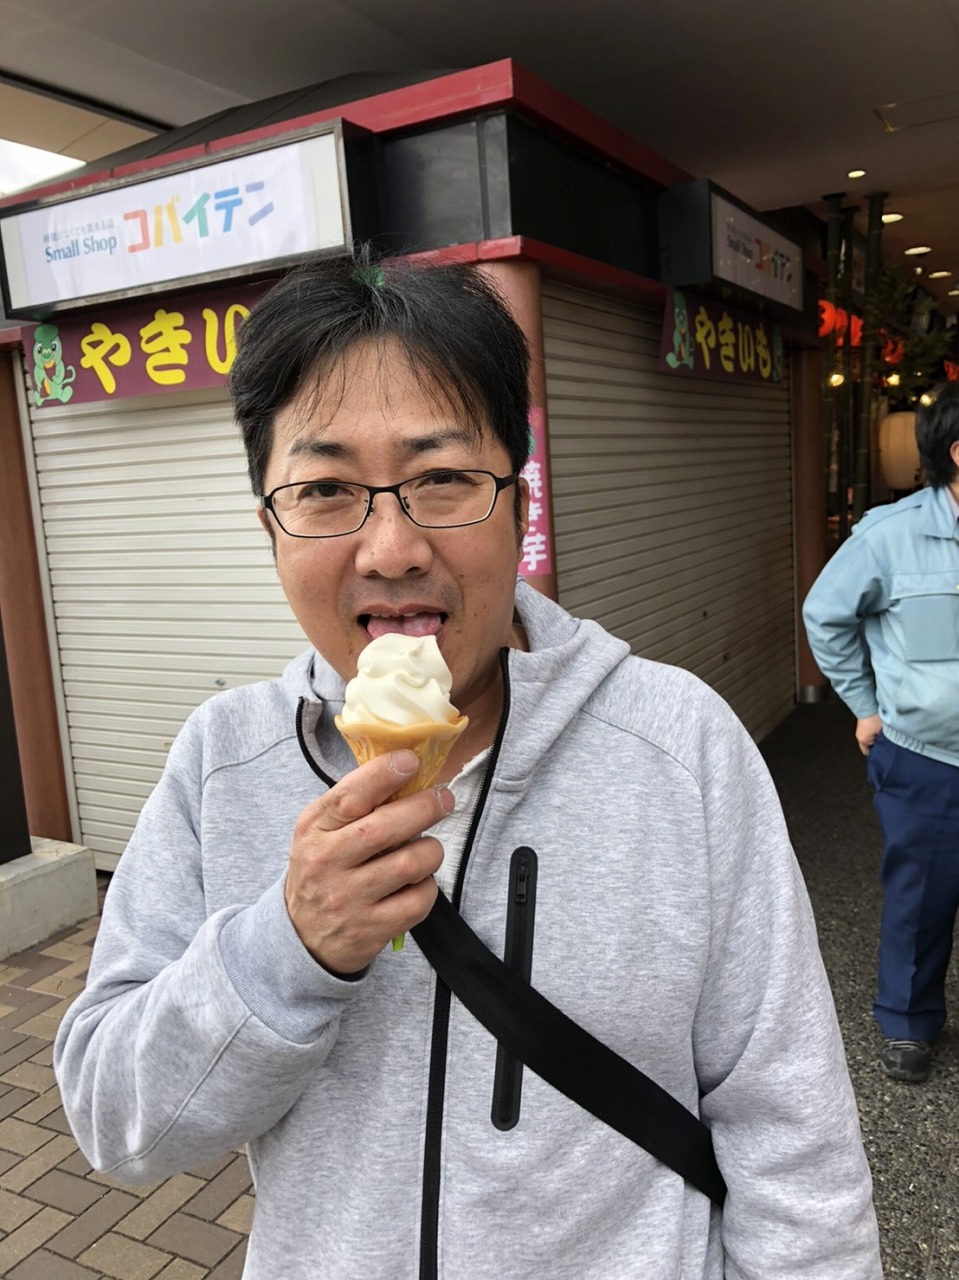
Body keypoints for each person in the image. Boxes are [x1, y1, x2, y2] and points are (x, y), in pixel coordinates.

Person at [55, 248, 881, 1279]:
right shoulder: (222, 763)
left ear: (519, 509)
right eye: (325, 489)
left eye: (441, 478)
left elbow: (792, 1134)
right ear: (269, 529)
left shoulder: (679, 745)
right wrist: (286, 949)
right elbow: (116, 1123)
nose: (391, 548)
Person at [803, 382, 959, 1086]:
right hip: (927, 757)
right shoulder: (888, 536)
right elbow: (825, 616)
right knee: (921, 896)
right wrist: (864, 706)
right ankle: (908, 1022)